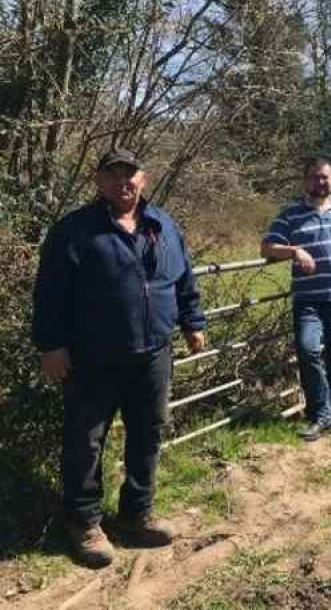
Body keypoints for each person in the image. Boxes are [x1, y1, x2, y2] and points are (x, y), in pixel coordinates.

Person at [32, 148, 207, 568]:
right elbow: (50, 292)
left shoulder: (163, 224)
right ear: (99, 182)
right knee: (85, 439)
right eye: (112, 175)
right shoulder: (75, 230)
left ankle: (136, 513)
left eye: (129, 174)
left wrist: (192, 321)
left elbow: (182, 277)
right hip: (93, 355)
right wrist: (50, 346)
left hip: (153, 353)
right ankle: (83, 520)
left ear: (143, 179)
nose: (121, 182)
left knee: (148, 432)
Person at [261, 154, 331, 440]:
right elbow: (267, 247)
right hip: (308, 301)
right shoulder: (291, 214)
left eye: (325, 177)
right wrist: (294, 250)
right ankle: (321, 414)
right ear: (305, 180)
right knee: (308, 351)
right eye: (314, 177)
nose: (320, 182)